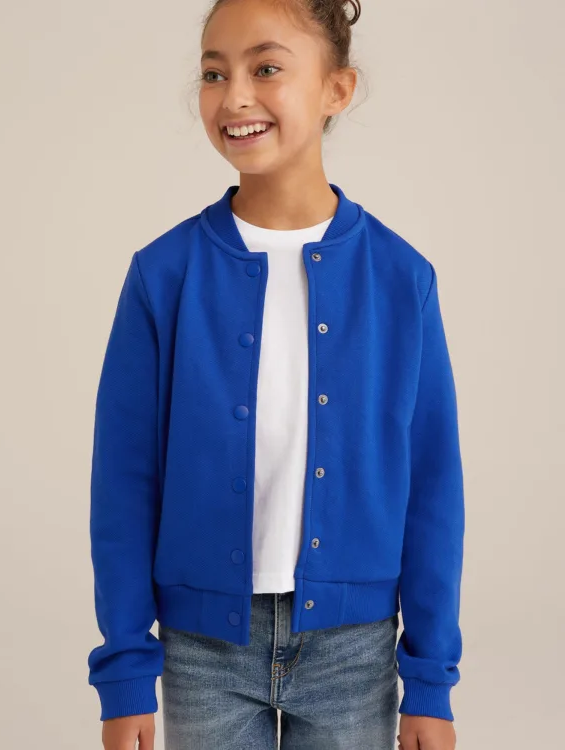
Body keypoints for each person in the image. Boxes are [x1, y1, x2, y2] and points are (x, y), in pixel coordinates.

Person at [87, 0, 465, 748]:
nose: (234, 97)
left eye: (265, 68)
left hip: (354, 649)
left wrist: (430, 682)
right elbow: (124, 482)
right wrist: (126, 671)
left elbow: (432, 488)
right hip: (201, 651)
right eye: (213, 73)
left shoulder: (401, 279)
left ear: (337, 89)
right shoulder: (163, 275)